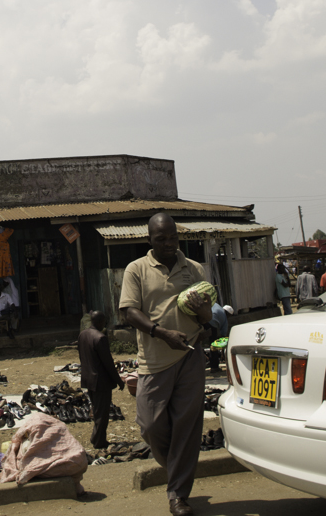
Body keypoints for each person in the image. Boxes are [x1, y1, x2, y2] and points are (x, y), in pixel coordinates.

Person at [119, 212, 211, 516]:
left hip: (190, 355)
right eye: (161, 239)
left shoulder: (194, 269)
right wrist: (161, 333)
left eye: (173, 237)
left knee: (187, 426)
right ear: (150, 240)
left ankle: (178, 495)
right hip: (154, 360)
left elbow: (207, 317)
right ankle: (176, 467)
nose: (169, 243)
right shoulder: (136, 269)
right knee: (150, 425)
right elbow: (129, 312)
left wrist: (203, 312)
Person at [77, 311, 125, 449]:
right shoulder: (100, 338)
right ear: (100, 322)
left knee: (97, 410)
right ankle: (99, 441)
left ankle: (96, 437)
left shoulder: (83, 334)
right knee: (102, 413)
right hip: (100, 381)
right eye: (104, 321)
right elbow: (108, 363)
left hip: (88, 379)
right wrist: (119, 380)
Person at [206, 302, 231, 371]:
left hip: (204, 318)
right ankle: (214, 367)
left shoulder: (217, 305)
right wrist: (222, 354)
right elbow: (222, 340)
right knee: (214, 345)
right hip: (212, 323)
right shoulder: (225, 319)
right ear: (228, 314)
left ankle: (208, 361)